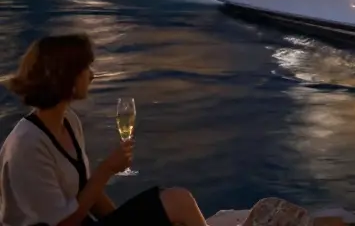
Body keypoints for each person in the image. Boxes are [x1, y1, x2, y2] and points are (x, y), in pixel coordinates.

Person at [0, 34, 209, 226]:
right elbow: (62, 223)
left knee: (176, 203)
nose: (92, 76)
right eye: (86, 68)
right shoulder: (27, 144)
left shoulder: (69, 121)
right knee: (177, 201)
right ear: (67, 76)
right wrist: (107, 169)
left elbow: (87, 191)